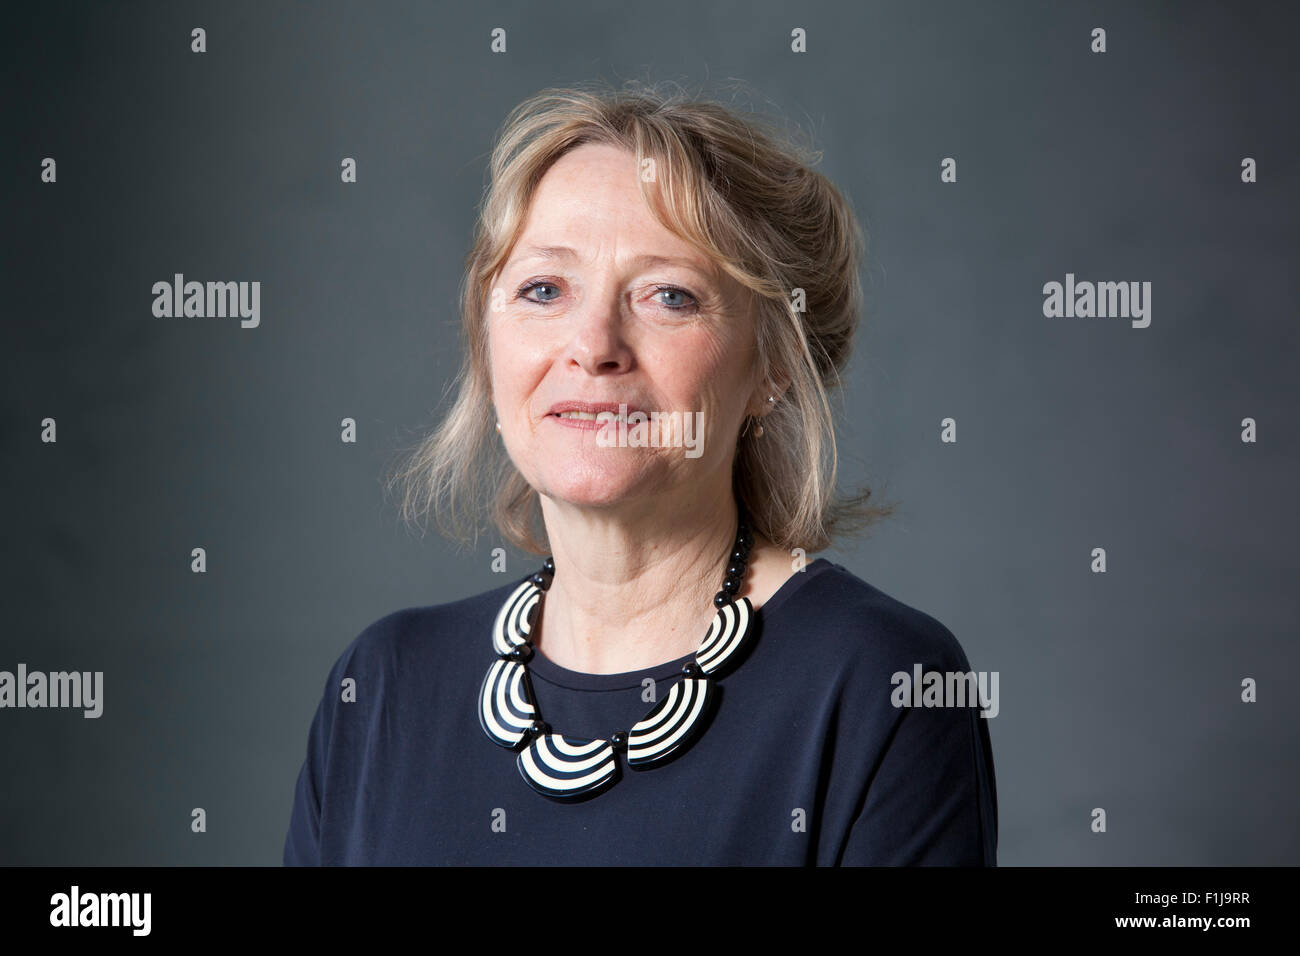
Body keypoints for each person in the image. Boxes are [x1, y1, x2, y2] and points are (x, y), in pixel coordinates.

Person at [283, 82, 997, 865]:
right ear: (488, 346)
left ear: (771, 366)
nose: (593, 345)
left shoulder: (881, 682)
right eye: (544, 289)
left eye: (669, 296)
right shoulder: (383, 686)